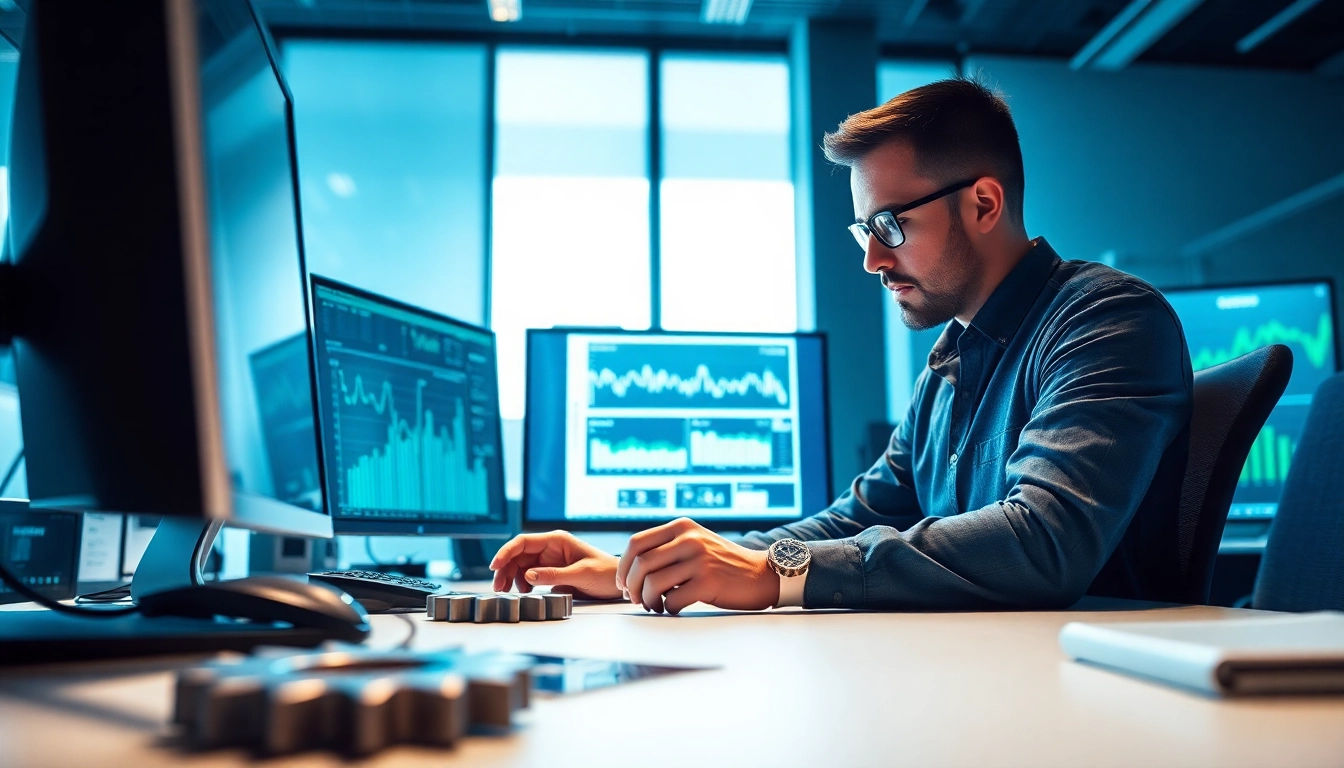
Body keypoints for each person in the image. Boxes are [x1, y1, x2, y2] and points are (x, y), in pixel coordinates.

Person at [490, 75, 1193, 615]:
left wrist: (777, 575)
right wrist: (646, 565)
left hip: (1095, 693)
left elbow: (1044, 539)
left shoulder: (1106, 320)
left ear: (983, 203)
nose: (872, 261)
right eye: (866, 231)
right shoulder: (951, 362)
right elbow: (859, 517)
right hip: (996, 671)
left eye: (889, 225)